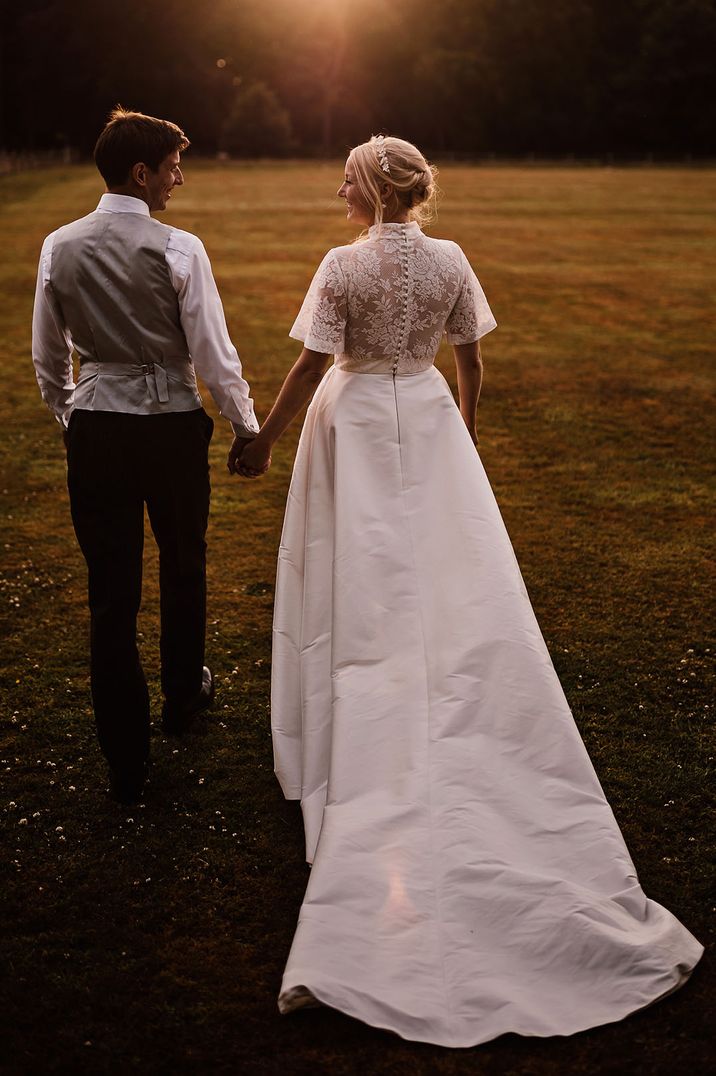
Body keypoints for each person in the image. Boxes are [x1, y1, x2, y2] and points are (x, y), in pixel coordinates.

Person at [234, 134, 702, 1047]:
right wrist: (466, 441)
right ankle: (429, 689)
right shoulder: (450, 258)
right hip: (430, 416)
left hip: (358, 419)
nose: (339, 187)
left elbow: (308, 364)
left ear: (373, 189)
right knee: (444, 575)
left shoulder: (341, 263)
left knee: (361, 576)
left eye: (347, 177)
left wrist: (265, 439)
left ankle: (361, 720)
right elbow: (472, 359)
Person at [32, 108, 263, 805]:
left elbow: (48, 356)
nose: (179, 179)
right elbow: (213, 356)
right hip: (168, 430)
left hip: (97, 430)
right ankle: (182, 696)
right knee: (183, 563)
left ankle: (125, 760)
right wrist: (245, 426)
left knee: (112, 595)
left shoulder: (57, 245)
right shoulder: (180, 249)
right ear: (142, 172)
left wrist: (72, 414)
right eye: (172, 168)